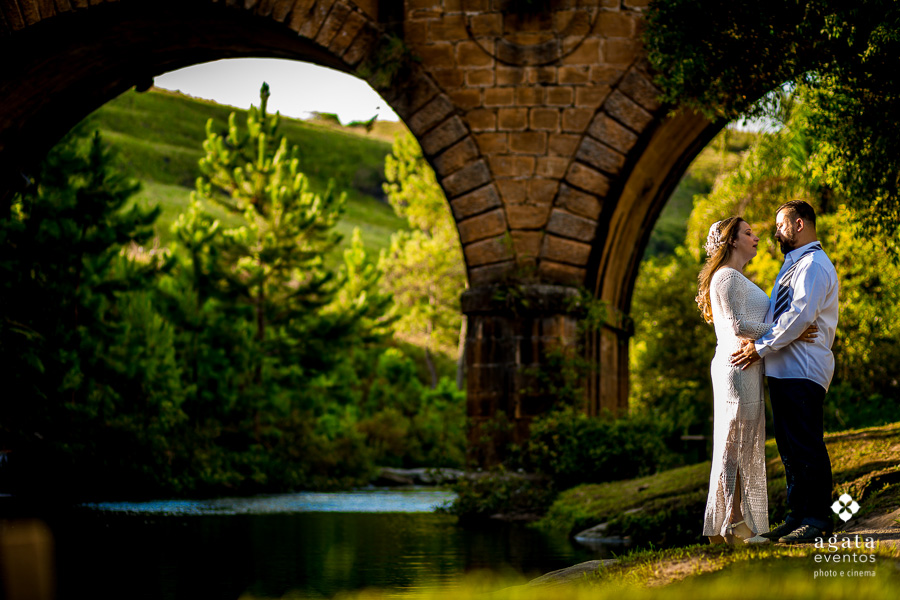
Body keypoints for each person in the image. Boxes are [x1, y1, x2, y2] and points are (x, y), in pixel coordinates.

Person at [731, 200, 839, 544]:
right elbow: (780, 317)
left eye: (781, 225)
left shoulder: (814, 265)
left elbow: (800, 316)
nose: (776, 233)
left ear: (799, 225)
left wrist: (760, 347)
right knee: (790, 449)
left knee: (806, 444)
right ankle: (797, 516)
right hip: (782, 370)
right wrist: (764, 337)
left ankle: (818, 519)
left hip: (803, 368)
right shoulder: (793, 264)